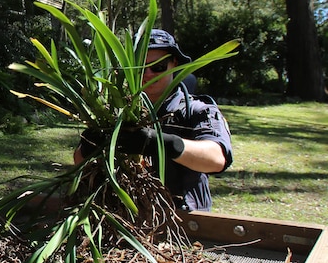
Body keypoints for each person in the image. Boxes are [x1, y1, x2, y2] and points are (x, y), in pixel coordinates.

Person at [74, 29, 232, 211]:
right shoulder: (116, 112)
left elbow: (216, 158)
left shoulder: (197, 110)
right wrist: (89, 146)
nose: (148, 74)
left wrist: (162, 143)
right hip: (123, 219)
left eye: (158, 66)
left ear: (175, 64)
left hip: (184, 223)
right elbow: (79, 162)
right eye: (140, 67)